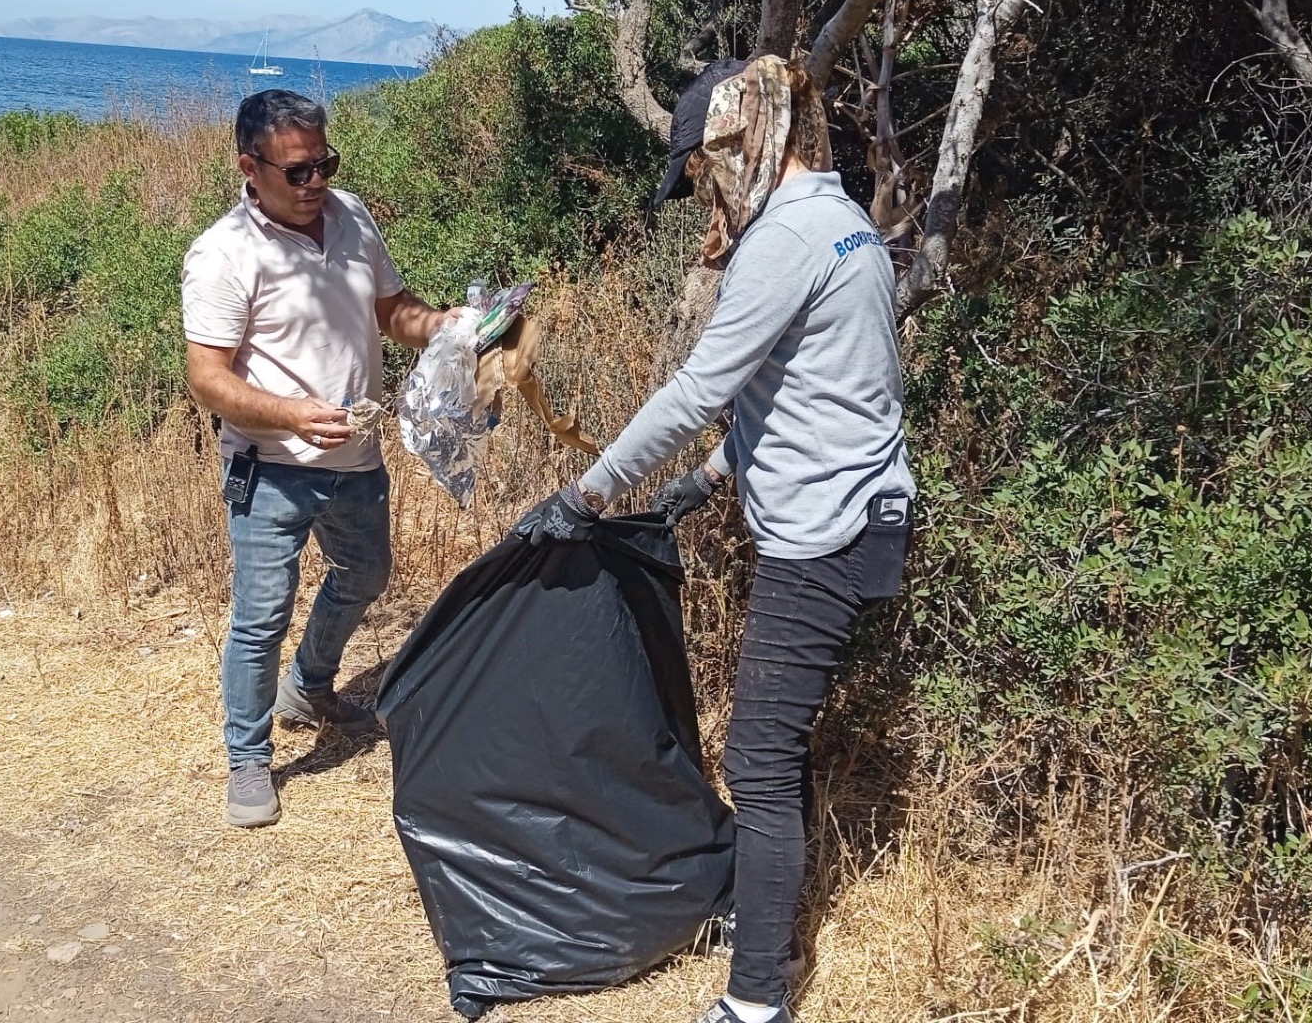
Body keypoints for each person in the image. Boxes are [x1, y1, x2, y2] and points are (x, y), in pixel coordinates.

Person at [517, 56, 916, 1023]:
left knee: (760, 759)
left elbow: (701, 389)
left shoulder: (789, 239)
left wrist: (592, 490)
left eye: (708, 165)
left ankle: (756, 1000)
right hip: (859, 516)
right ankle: (764, 910)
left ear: (748, 144)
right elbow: (812, 390)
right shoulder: (841, 221)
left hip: (824, 536)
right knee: (777, 745)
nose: (709, 186)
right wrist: (708, 479)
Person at [182, 89, 451, 829]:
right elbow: (206, 376)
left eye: (325, 163)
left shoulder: (352, 215)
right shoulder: (222, 254)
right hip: (268, 466)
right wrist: (291, 413)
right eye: (298, 171)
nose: (316, 183)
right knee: (261, 614)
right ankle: (247, 758)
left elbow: (391, 310)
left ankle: (310, 686)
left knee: (366, 574)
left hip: (355, 456)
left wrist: (449, 329)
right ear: (250, 166)